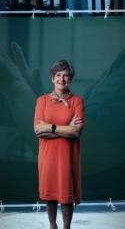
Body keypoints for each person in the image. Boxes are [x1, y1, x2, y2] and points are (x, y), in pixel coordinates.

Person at [34, 59, 85, 229]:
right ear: (52, 78)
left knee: (65, 195)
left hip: (67, 158)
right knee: (49, 194)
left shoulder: (77, 101)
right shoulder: (42, 101)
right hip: (47, 156)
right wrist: (66, 128)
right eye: (58, 75)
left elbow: (76, 132)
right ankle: (52, 226)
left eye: (66, 76)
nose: (61, 79)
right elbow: (38, 130)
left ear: (70, 79)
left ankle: (66, 227)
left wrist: (50, 127)